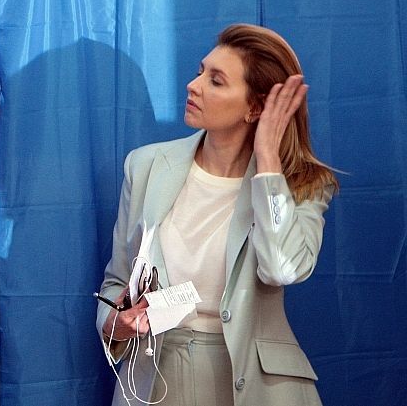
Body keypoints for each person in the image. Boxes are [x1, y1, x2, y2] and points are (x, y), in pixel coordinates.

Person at [95, 23, 338, 406]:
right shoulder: (144, 167)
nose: (193, 86)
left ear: (255, 107)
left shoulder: (301, 184)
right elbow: (117, 281)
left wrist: (268, 163)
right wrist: (116, 323)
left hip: (260, 387)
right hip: (155, 382)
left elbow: (282, 269)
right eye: (200, 72)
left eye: (216, 81)